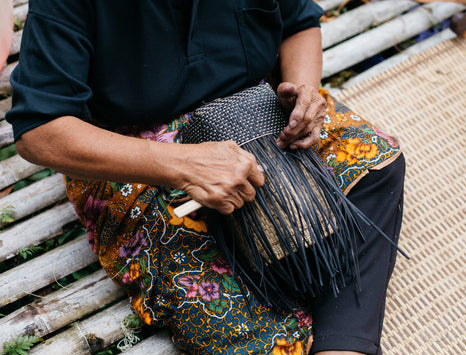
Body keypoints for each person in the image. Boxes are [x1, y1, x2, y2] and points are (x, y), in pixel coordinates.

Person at [7, 1, 405, 354]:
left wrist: (303, 92)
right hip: (135, 153)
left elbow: (298, 21)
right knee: (190, 249)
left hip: (255, 109)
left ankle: (341, 346)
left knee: (374, 165)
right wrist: (184, 165)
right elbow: (39, 131)